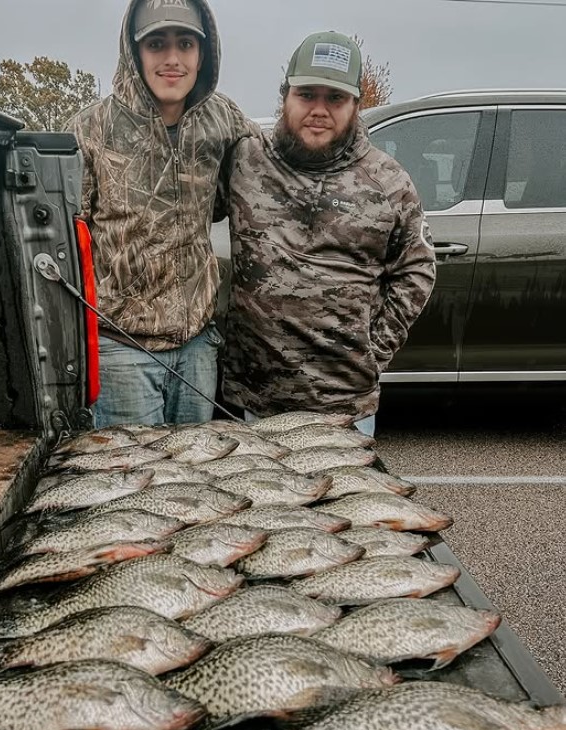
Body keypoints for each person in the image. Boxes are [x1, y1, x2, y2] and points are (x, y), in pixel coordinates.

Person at [221, 31, 437, 436]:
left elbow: (418, 269)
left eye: (335, 98)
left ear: (356, 105)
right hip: (254, 401)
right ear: (285, 96)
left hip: (343, 410)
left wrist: (375, 350)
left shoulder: (388, 183)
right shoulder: (246, 162)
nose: (319, 109)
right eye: (307, 94)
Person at [68, 0, 254, 427]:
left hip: (199, 347)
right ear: (135, 53)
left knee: (191, 484)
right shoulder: (90, 129)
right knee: (135, 482)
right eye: (157, 44)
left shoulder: (223, 119)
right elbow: (67, 240)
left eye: (185, 43)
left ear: (202, 54)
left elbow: (268, 173)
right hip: (122, 351)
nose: (172, 59)